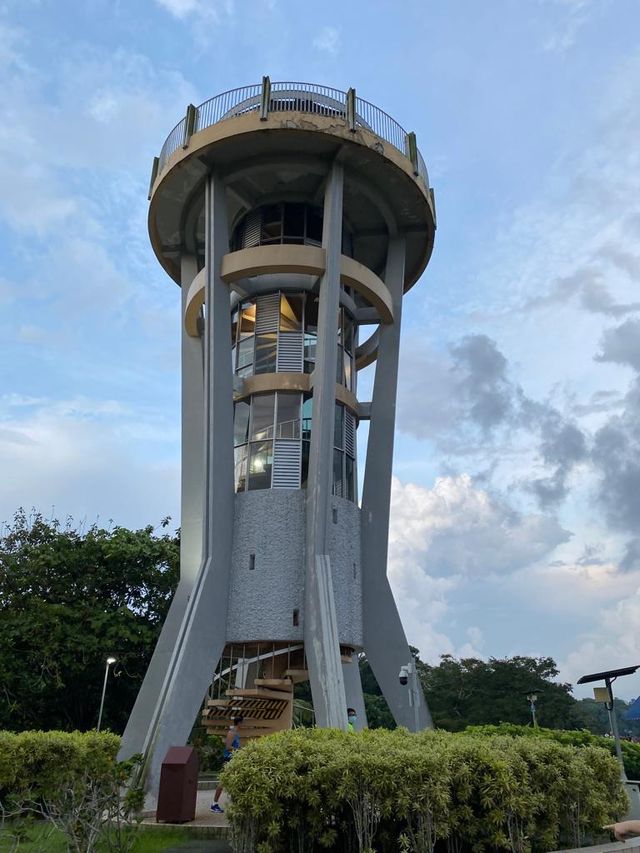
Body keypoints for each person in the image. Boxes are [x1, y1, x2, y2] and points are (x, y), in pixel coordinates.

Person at [210, 715, 243, 814]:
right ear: (239, 723)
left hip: (234, 759)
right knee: (222, 782)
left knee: (236, 780)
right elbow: (228, 747)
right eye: (242, 722)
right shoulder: (231, 733)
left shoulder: (237, 733)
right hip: (228, 759)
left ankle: (237, 804)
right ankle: (214, 804)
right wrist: (239, 750)